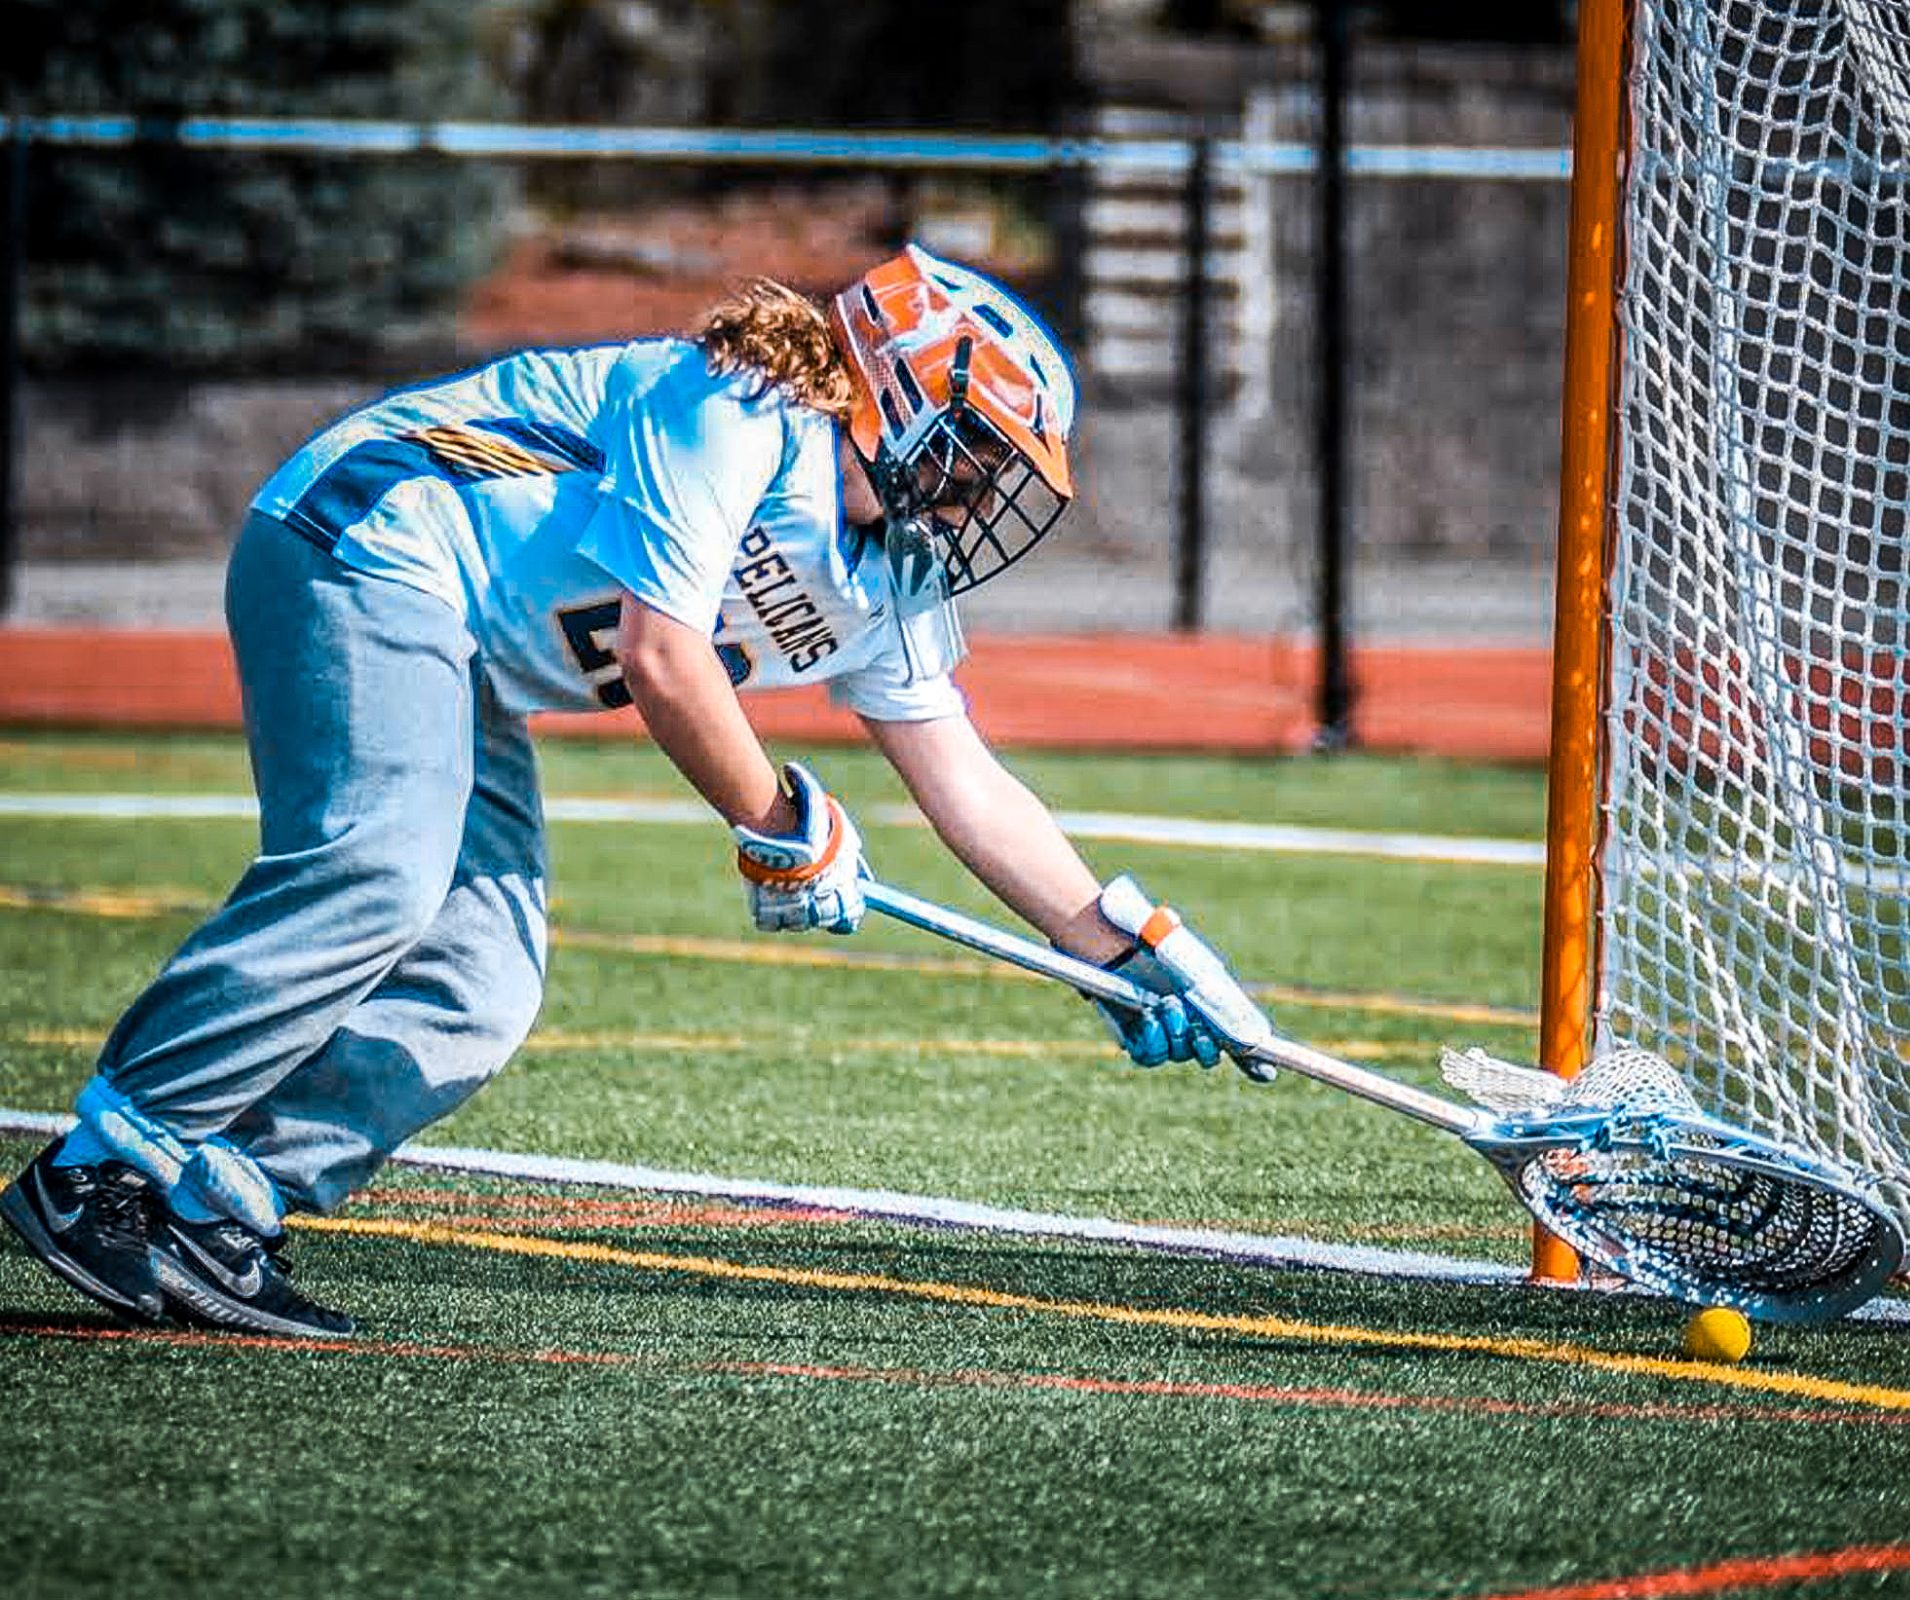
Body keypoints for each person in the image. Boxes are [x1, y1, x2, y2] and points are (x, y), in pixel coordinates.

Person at [0, 244, 1265, 1338]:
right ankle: (107, 1161)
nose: (985, 494)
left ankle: (218, 1195)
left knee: (480, 987)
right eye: (980, 452)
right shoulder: (739, 400)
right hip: (362, 539)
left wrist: (1126, 945)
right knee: (378, 868)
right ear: (900, 390)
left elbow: (965, 781)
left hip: (474, 648)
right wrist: (777, 825)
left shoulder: (890, 577)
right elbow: (664, 657)